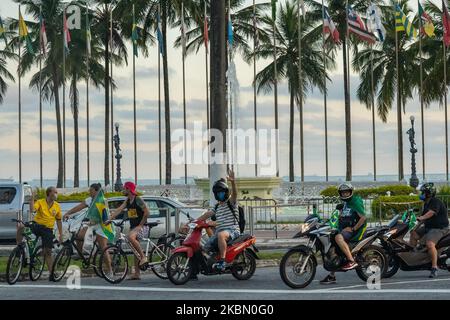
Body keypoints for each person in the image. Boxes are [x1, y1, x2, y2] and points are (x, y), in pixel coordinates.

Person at [320, 183, 367, 285]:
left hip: (356, 231)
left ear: (350, 192)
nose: (345, 194)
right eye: (343, 193)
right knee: (333, 245)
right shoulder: (345, 203)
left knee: (338, 238)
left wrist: (354, 228)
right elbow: (338, 216)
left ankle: (351, 261)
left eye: (347, 192)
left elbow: (363, 218)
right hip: (344, 229)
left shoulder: (355, 202)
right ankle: (332, 276)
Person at [196, 169, 240, 271]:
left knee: (221, 235)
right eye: (218, 192)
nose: (220, 194)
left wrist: (233, 182)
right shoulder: (216, 206)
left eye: (222, 192)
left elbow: (235, 194)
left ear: (226, 192)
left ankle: (223, 261)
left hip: (232, 230)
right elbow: (207, 214)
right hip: (221, 232)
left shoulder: (231, 202)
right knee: (204, 247)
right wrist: (194, 222)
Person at [16, 187, 63, 280]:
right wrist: (32, 198)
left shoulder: (57, 206)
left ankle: (52, 273)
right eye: (55, 192)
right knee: (21, 227)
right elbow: (33, 209)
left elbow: (58, 221)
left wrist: (61, 234)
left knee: (48, 252)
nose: (56, 194)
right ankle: (19, 246)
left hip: (48, 229)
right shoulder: (41, 202)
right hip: (37, 225)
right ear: (49, 193)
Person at [108, 182, 149, 280]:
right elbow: (119, 209)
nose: (123, 190)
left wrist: (140, 225)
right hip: (134, 227)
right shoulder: (128, 200)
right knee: (134, 250)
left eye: (125, 188)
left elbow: (147, 212)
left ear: (129, 189)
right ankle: (137, 274)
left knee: (130, 237)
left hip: (142, 227)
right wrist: (109, 219)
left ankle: (143, 257)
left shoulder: (138, 199)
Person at [410, 183, 449, 278]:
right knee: (413, 234)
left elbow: (431, 213)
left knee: (430, 244)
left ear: (429, 193)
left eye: (423, 192)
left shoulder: (435, 201)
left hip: (439, 228)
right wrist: (414, 228)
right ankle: (414, 255)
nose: (421, 194)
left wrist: (422, 217)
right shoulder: (426, 204)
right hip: (429, 227)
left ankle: (434, 267)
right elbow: (422, 219)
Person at [63, 183, 111, 261]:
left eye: (91, 190)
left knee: (103, 249)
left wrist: (94, 221)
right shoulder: (89, 200)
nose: (89, 191)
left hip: (102, 225)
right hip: (92, 225)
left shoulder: (102, 201)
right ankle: (81, 255)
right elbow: (78, 207)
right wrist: (68, 213)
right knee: (78, 236)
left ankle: (110, 270)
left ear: (97, 191)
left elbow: (104, 216)